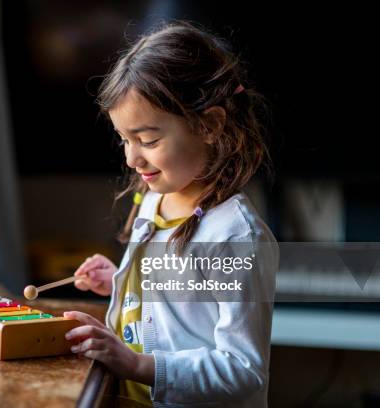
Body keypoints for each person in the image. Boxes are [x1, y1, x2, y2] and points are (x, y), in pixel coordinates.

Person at [63, 20, 279, 407]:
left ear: (210, 125)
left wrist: (135, 364)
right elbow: (182, 308)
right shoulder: (155, 197)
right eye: (124, 139)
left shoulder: (235, 238)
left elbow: (242, 369)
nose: (131, 157)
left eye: (148, 140)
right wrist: (121, 284)